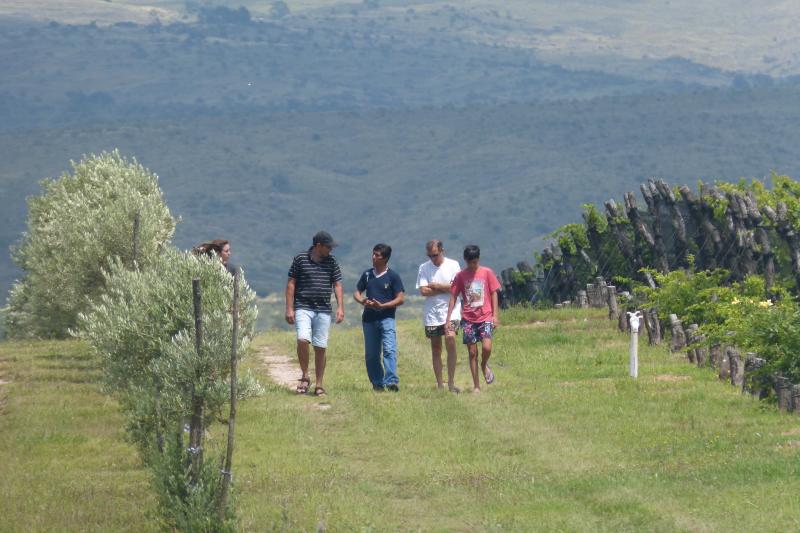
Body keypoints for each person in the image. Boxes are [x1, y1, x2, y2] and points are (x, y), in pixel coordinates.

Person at [285, 231, 345, 396]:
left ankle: (319, 384)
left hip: (323, 309)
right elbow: (291, 283)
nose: (331, 250)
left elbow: (337, 285)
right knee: (302, 339)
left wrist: (340, 307)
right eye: (328, 247)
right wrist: (289, 308)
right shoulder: (300, 259)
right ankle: (305, 376)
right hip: (303, 306)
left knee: (320, 347)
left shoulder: (332, 261)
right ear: (319, 245)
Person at [446, 245, 501, 393]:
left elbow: (494, 292)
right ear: (465, 260)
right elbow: (453, 296)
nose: (472, 265)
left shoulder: (487, 272)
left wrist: (495, 315)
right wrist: (448, 318)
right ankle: (476, 386)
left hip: (486, 317)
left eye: (475, 262)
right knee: (472, 352)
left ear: (478, 259)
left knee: (487, 347)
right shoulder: (460, 276)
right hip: (469, 319)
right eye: (470, 262)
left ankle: (484, 364)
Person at [354, 243, 405, 392]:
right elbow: (357, 292)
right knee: (371, 354)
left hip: (387, 318)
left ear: (385, 259)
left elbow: (400, 298)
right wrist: (363, 300)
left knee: (389, 349)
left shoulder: (393, 276)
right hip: (369, 319)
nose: (373, 258)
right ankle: (377, 382)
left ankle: (391, 381)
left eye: (377, 255)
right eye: (373, 254)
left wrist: (383, 306)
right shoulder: (367, 274)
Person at [416, 240, 462, 392]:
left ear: (442, 250)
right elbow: (423, 291)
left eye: (435, 255)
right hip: (432, 313)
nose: (432, 259)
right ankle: (440, 384)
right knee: (436, 348)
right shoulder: (424, 267)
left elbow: (457, 287)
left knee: (450, 338)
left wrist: (436, 286)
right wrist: (447, 288)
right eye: (430, 256)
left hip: (452, 309)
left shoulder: (453, 265)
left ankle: (451, 381)